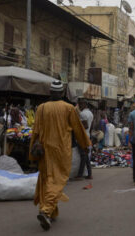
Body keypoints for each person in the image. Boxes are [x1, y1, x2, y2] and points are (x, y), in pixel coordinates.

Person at [29, 80, 91, 231]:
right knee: (58, 180)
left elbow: (35, 131)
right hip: (61, 150)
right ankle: (46, 210)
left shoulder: (41, 108)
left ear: (50, 92)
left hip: (45, 150)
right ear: (62, 93)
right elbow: (78, 129)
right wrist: (85, 145)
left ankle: (51, 212)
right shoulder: (69, 108)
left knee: (47, 178)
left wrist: (32, 151)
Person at [76, 98, 94, 180]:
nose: (79, 106)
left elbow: (85, 126)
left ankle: (80, 175)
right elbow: (90, 127)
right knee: (86, 155)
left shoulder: (82, 114)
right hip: (87, 135)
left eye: (80, 104)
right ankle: (89, 174)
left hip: (83, 137)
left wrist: (76, 128)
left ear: (84, 104)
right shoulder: (90, 113)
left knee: (84, 156)